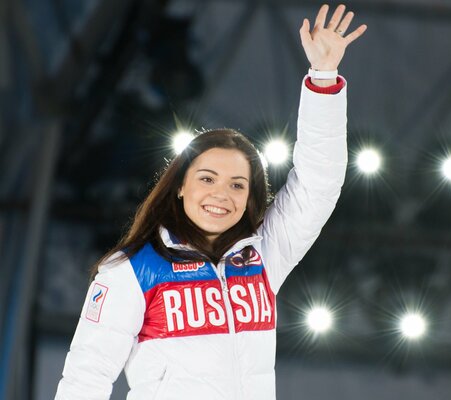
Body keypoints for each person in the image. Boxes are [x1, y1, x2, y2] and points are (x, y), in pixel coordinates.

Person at [55, 4, 366, 399]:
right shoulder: (133, 269)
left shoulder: (263, 255)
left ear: (250, 198)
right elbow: (86, 377)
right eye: (207, 179)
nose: (221, 194)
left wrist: (323, 77)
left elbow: (317, 185)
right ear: (180, 186)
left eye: (238, 185)